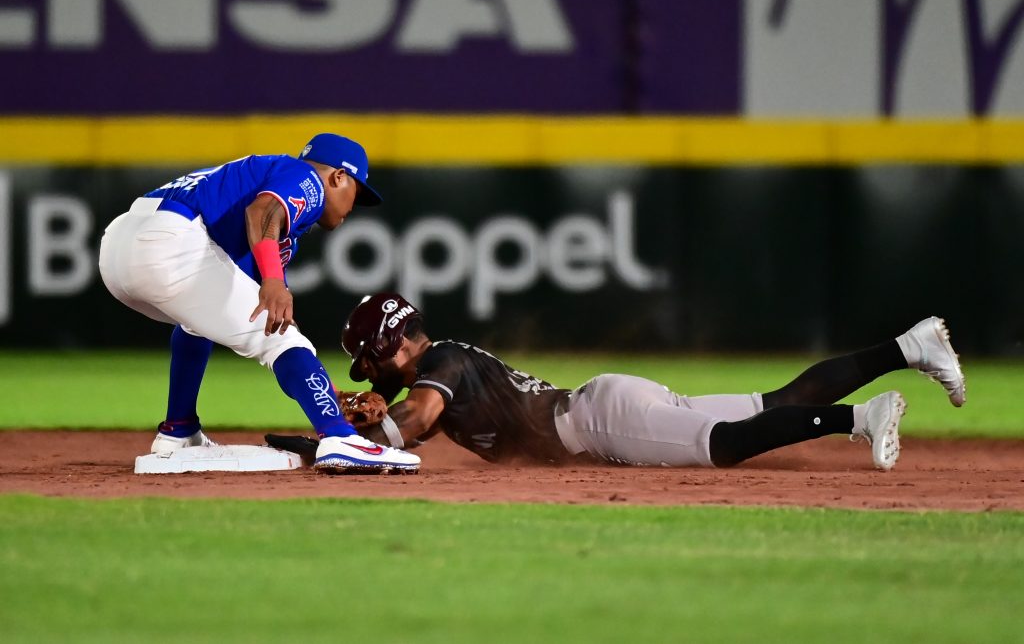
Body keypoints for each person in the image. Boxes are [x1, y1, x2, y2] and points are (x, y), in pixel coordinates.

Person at [337, 292, 966, 471]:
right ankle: (910, 346)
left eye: (368, 360)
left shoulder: (442, 362)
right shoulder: (443, 364)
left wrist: (349, 437)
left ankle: (858, 417)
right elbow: (409, 427)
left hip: (598, 422)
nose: (369, 373)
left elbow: (414, 422)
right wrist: (357, 423)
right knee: (774, 404)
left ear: (390, 346)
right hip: (603, 403)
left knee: (726, 445)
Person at [98, 135, 420, 474]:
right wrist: (274, 281)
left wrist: (332, 394)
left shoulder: (272, 203)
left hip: (120, 250)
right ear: (338, 177)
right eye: (357, 191)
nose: (354, 205)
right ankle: (341, 439)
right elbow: (261, 211)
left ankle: (179, 430)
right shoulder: (307, 179)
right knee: (281, 339)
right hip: (168, 242)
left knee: (205, 323)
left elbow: (269, 320)